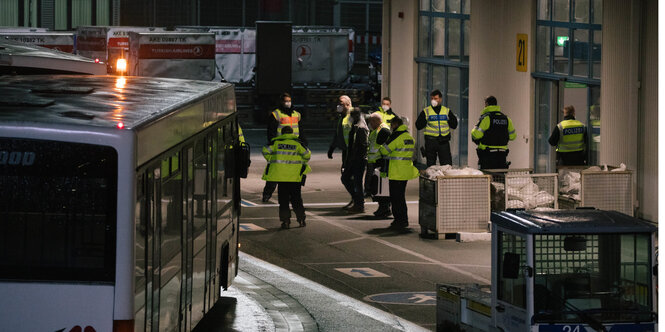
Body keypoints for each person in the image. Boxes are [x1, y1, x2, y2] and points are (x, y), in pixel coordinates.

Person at [262, 126, 311, 229]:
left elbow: (265, 151)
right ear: (292, 133)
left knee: (283, 201)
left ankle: (286, 222)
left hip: (281, 177)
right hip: (294, 178)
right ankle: (301, 220)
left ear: (282, 133)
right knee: (297, 200)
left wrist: (271, 159)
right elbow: (307, 155)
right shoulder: (298, 144)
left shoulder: (276, 143)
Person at [263, 93, 306, 202]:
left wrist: (304, 143)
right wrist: (272, 144)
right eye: (286, 101)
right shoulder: (276, 114)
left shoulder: (297, 114)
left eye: (289, 101)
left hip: (294, 146)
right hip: (280, 145)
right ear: (281, 102)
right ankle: (267, 194)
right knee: (275, 172)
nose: (288, 103)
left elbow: (301, 130)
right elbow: (271, 131)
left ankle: (293, 195)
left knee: (293, 172)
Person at [379, 116, 420, 231]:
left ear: (396, 124)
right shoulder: (409, 137)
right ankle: (403, 219)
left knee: (396, 198)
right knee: (401, 197)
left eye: (392, 125)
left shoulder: (396, 137)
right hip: (405, 171)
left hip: (396, 172)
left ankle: (399, 221)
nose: (391, 127)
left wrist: (384, 142)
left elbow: (384, 151)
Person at [471, 96, 516, 169]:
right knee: (500, 177)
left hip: (487, 155)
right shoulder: (506, 119)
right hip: (502, 155)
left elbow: (476, 135)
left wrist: (474, 129)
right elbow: (513, 136)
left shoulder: (486, 118)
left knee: (488, 178)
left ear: (486, 104)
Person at [415, 90, 458, 166]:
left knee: (446, 165)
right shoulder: (426, 111)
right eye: (432, 99)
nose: (433, 101)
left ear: (440, 99)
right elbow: (418, 125)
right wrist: (425, 120)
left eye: (435, 98)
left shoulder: (446, 111)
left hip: (443, 141)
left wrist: (449, 120)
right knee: (431, 166)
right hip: (431, 141)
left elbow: (454, 125)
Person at [328, 95, 353, 208]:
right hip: (346, 151)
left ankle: (358, 200)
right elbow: (338, 134)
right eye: (338, 104)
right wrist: (332, 148)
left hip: (353, 152)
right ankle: (356, 199)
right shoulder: (341, 117)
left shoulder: (353, 116)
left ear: (348, 105)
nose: (339, 106)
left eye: (341, 104)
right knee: (347, 176)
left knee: (349, 177)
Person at [341, 109, 369, 213]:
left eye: (352, 116)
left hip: (358, 160)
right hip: (354, 159)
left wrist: (354, 159)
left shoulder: (360, 128)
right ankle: (357, 200)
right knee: (347, 179)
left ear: (357, 115)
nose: (350, 118)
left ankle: (359, 203)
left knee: (355, 181)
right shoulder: (356, 126)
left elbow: (362, 146)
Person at [366, 112, 392, 218]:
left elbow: (386, 146)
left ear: (376, 121)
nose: (370, 124)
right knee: (377, 186)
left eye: (371, 121)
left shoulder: (383, 130)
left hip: (380, 162)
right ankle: (383, 207)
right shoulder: (377, 130)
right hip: (375, 162)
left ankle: (384, 207)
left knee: (381, 187)